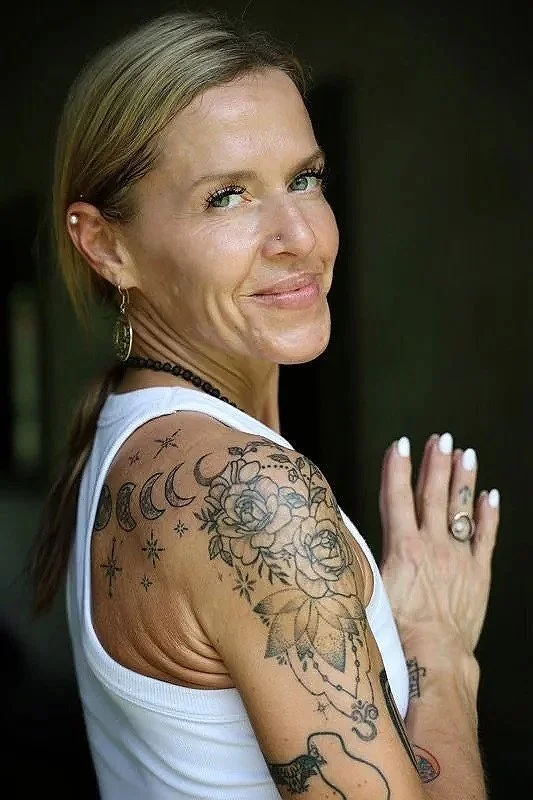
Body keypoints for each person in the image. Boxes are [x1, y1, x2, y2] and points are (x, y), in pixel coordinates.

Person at [29, 9, 500, 799]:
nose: (299, 237)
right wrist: (438, 650)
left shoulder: (131, 430)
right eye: (226, 197)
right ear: (107, 245)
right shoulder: (242, 489)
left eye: (305, 179)